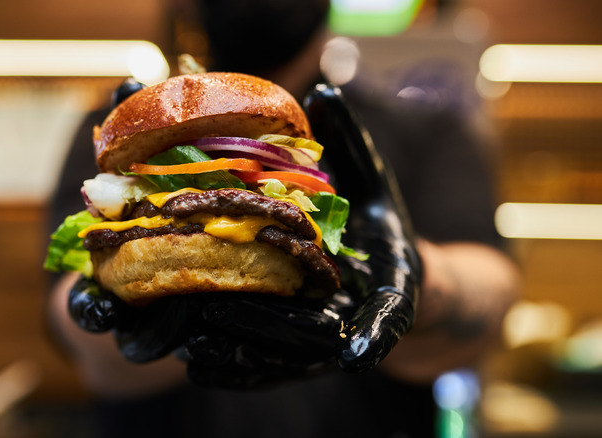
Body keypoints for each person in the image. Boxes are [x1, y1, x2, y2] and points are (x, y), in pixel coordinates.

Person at [46, 0, 520, 436]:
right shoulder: (120, 122)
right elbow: (76, 323)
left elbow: (492, 298)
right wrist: (138, 315)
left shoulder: (428, 129)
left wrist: (414, 277)